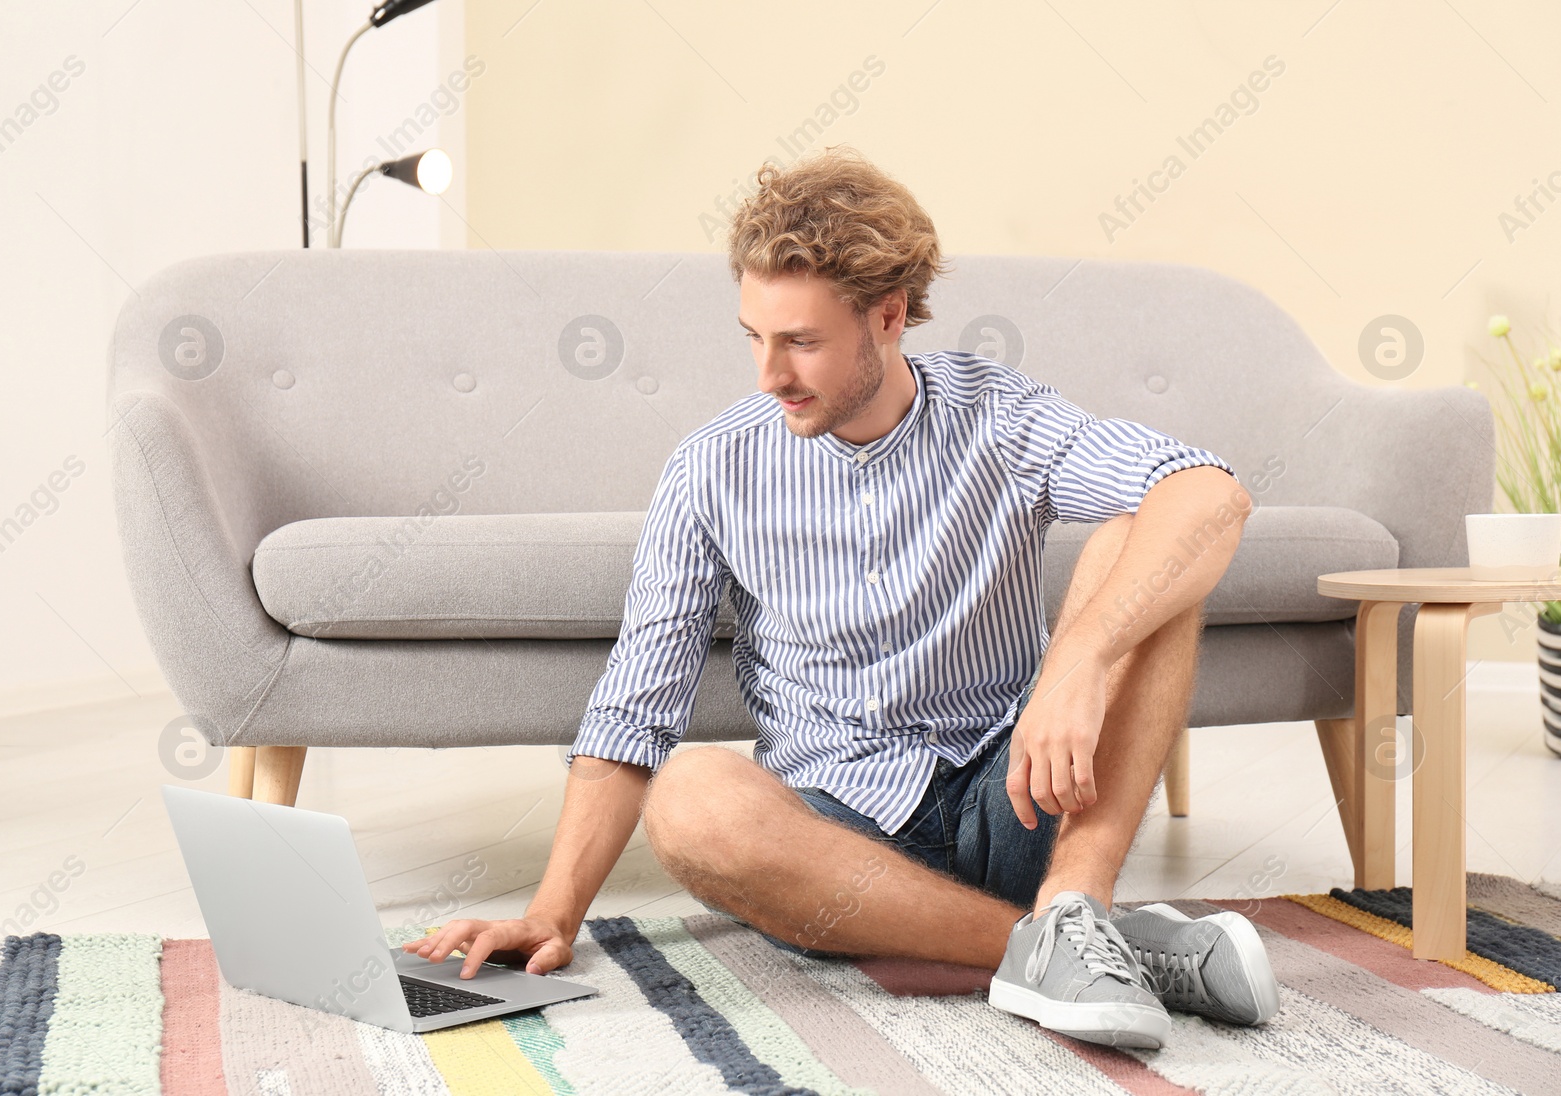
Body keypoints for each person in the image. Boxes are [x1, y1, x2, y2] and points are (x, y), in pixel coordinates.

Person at [404, 145, 1279, 1049]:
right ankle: (1072, 942)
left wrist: (1078, 664)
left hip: (1020, 794)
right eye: (756, 337)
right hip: (835, 844)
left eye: (802, 342)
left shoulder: (1000, 416)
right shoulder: (713, 468)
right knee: (690, 797)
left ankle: (1074, 902)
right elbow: (634, 714)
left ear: (889, 316)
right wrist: (553, 914)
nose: (770, 375)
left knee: (1147, 541)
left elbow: (1210, 494)